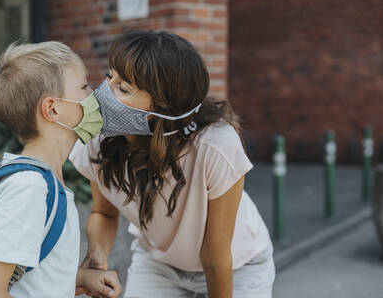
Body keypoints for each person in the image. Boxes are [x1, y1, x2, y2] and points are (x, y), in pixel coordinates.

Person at [71, 30, 275, 298]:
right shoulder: (99, 141)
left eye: (123, 88)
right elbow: (104, 214)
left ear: (163, 107)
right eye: (110, 76)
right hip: (159, 265)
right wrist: (97, 255)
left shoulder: (215, 147)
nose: (104, 93)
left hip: (239, 267)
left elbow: (215, 256)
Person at [0, 41, 121, 298]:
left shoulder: (43, 183)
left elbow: (30, 280)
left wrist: (82, 277)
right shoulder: (28, 188)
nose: (93, 94)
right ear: (52, 108)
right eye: (84, 86)